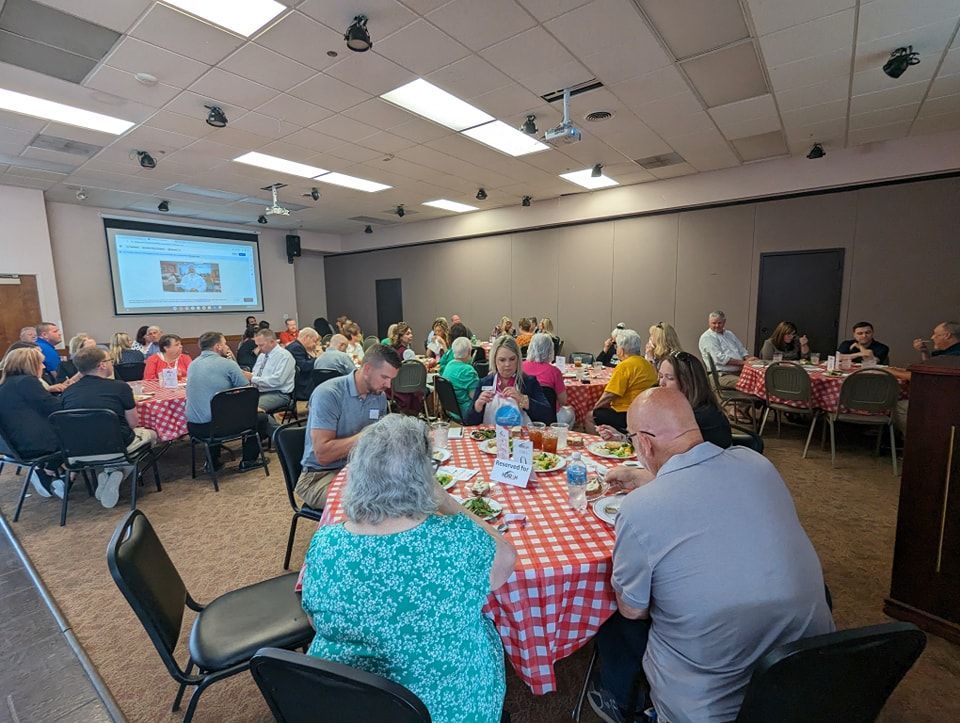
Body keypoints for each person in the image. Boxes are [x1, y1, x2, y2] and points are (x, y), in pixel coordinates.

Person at [588, 388, 834, 722]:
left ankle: (623, 701)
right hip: (808, 672)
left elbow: (633, 610)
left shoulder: (637, 511)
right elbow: (705, 483)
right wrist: (645, 478)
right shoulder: (758, 464)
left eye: (633, 439)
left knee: (615, 612)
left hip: (708, 700)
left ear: (644, 444)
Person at [300, 414, 515, 722]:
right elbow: (506, 561)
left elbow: (313, 619)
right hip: (443, 709)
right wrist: (446, 501)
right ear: (424, 476)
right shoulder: (456, 539)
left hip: (344, 706)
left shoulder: (326, 543)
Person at [296, 344, 402, 509]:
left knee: (405, 490)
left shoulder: (378, 397)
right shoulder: (329, 394)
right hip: (319, 477)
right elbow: (322, 455)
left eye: (391, 379)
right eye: (384, 377)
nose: (388, 385)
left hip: (359, 469)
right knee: (375, 503)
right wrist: (369, 435)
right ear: (367, 369)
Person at [60, 346, 158, 508]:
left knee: (109, 437)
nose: (112, 364)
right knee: (152, 434)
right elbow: (133, 423)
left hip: (77, 450)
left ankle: (110, 471)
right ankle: (119, 471)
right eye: (110, 361)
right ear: (102, 365)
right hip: (116, 445)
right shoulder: (119, 387)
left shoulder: (68, 392)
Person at [186, 331, 267, 472]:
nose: (226, 346)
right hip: (218, 427)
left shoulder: (193, 364)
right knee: (261, 418)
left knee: (216, 411)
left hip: (194, 427)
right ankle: (248, 460)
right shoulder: (227, 364)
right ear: (217, 346)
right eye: (224, 344)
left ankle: (212, 462)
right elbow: (246, 391)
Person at [0, 347, 65, 499]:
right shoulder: (27, 382)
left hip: (13, 445)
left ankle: (61, 476)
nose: (43, 367)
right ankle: (48, 474)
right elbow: (55, 408)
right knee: (80, 436)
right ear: (30, 365)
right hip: (33, 445)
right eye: (41, 363)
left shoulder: (6, 385)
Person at [465, 335, 555, 426]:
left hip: (520, 438)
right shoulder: (485, 383)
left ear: (518, 359)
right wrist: (477, 406)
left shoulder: (529, 382)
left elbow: (548, 417)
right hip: (492, 438)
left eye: (512, 359)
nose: (507, 364)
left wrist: (524, 400)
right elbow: (468, 421)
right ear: (494, 361)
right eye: (502, 360)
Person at [591, 330, 657, 433]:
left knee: (589, 416)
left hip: (625, 414)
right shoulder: (648, 364)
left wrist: (594, 408)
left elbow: (609, 395)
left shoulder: (624, 366)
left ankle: (598, 446)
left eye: (616, 346)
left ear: (621, 350)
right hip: (646, 413)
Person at [249, 328, 296, 427]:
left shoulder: (285, 356)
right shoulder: (262, 356)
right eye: (257, 345)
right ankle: (260, 434)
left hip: (279, 393)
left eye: (261, 345)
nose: (258, 348)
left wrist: (252, 378)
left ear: (272, 342)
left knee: (252, 409)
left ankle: (279, 433)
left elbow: (277, 381)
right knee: (239, 405)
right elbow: (255, 374)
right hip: (260, 391)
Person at [698, 310, 753, 388]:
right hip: (721, 375)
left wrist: (749, 359)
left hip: (739, 372)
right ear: (709, 322)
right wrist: (744, 362)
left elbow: (741, 349)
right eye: (713, 323)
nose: (717, 325)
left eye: (719, 323)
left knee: (764, 380)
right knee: (750, 384)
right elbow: (718, 358)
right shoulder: (707, 337)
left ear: (724, 322)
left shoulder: (729, 334)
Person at [522, 333, 567, 411]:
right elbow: (563, 401)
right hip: (549, 414)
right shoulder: (554, 371)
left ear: (530, 347)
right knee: (571, 412)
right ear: (550, 350)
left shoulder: (520, 367)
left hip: (524, 412)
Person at [440, 337, 480, 420]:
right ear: (469, 351)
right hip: (466, 412)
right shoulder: (468, 370)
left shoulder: (449, 365)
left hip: (452, 411)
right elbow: (475, 397)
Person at [285, 327, 321, 400]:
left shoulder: (296, 346)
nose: (314, 344)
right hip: (301, 387)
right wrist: (318, 358)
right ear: (306, 338)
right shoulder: (296, 348)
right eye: (314, 341)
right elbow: (304, 367)